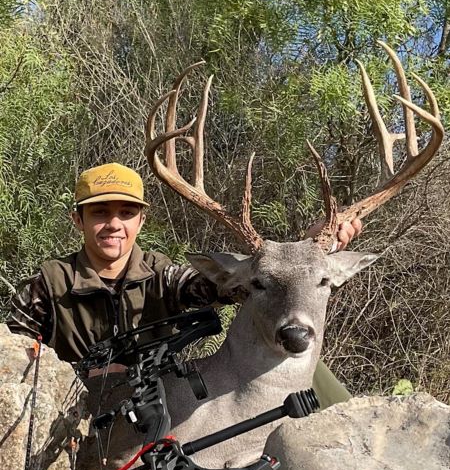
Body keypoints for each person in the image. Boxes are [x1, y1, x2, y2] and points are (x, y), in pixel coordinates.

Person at [7, 162, 361, 405]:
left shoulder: (162, 277)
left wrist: (311, 248)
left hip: (158, 408)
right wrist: (82, 376)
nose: (114, 224)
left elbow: (234, 286)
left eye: (126, 213)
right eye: (100, 212)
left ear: (141, 221)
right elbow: (10, 361)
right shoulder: (47, 286)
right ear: (77, 220)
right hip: (75, 408)